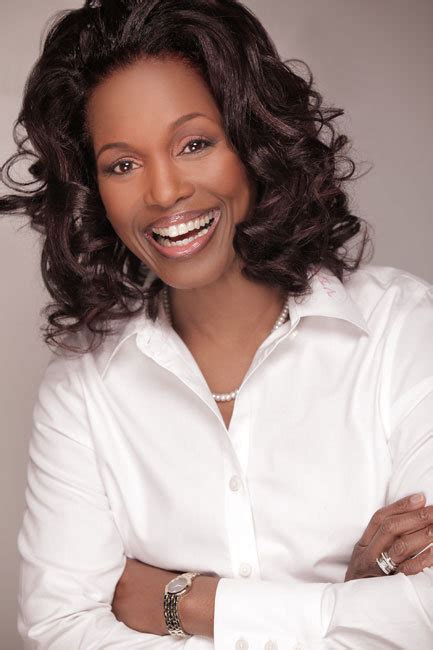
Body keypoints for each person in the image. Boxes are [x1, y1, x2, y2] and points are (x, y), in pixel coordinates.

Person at [2, 0, 432, 647]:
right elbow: (60, 629)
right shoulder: (81, 391)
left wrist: (182, 603)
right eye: (122, 164)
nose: (163, 192)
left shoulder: (402, 329)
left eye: (194, 144)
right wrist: (347, 603)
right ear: (93, 190)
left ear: (253, 142)